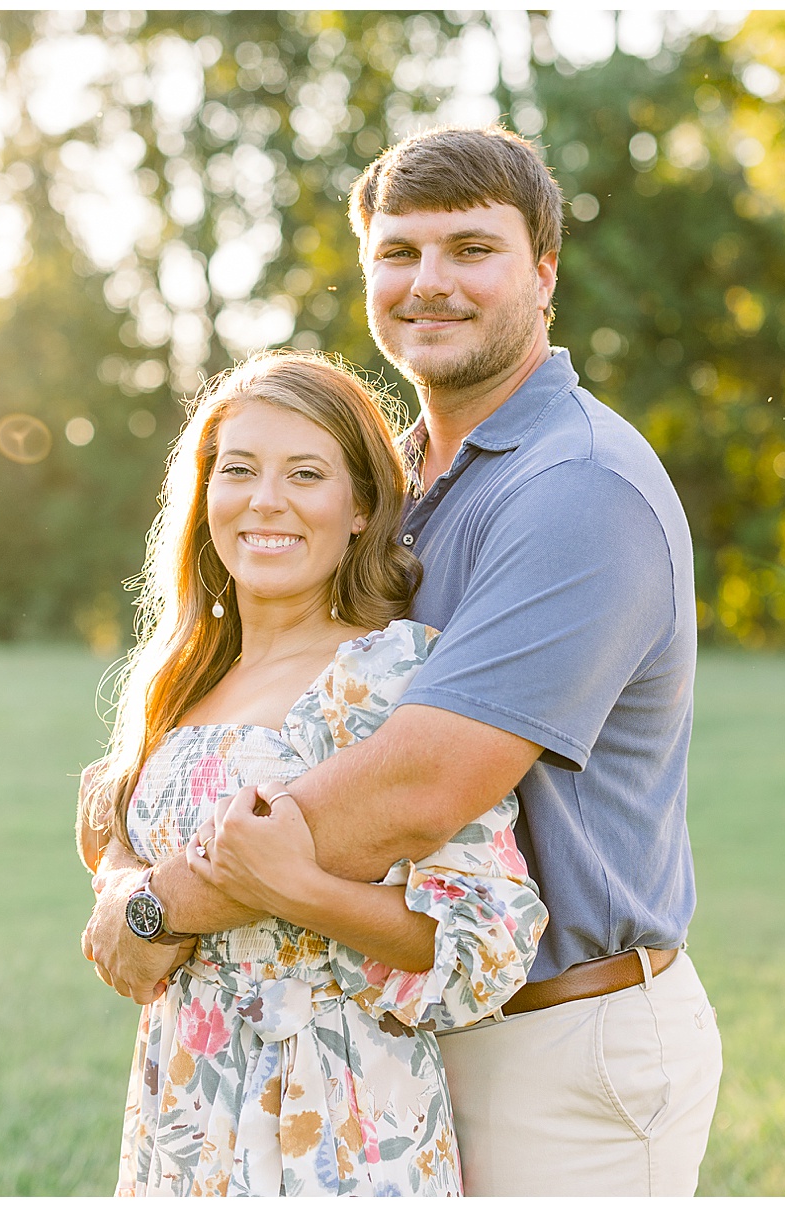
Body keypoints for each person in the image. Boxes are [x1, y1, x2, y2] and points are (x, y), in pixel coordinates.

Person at [86, 124, 722, 1195]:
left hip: (559, 1038)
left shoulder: (578, 486)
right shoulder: (413, 485)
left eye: (472, 249)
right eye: (400, 252)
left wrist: (163, 906)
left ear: (544, 272)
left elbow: (421, 786)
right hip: (391, 1038)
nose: (431, 282)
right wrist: (123, 851)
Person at [77, 350, 546, 1196]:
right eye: (240, 469)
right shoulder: (178, 679)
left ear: (361, 506)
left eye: (305, 473)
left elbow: (486, 942)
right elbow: (127, 888)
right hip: (184, 1109)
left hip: (337, 1120)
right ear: (205, 492)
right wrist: (122, 890)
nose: (266, 500)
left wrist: (296, 887)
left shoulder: (390, 677)